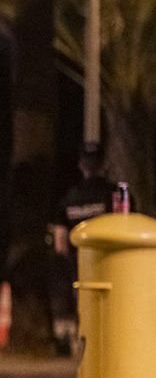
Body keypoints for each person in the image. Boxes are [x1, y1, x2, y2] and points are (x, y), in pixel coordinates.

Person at [51, 143, 118, 355]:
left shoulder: (69, 197)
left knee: (83, 309)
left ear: (81, 165)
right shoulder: (113, 194)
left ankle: (85, 348)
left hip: (79, 266)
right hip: (110, 264)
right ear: (104, 164)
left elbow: (60, 242)